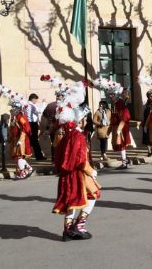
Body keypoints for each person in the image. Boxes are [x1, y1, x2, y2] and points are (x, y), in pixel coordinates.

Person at [52, 80, 100, 241]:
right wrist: (91, 171)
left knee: (72, 201)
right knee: (93, 195)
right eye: (85, 118)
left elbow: (58, 154)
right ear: (81, 120)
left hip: (67, 175)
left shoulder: (66, 135)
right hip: (79, 174)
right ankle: (79, 226)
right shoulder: (78, 136)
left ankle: (68, 230)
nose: (87, 120)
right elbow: (80, 160)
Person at [0, 84, 34, 179]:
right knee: (18, 157)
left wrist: (21, 140)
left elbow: (26, 128)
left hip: (21, 139)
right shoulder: (14, 117)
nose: (11, 109)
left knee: (19, 157)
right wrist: (10, 139)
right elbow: (13, 130)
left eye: (13, 107)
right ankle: (29, 168)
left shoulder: (20, 116)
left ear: (17, 108)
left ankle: (23, 173)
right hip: (16, 139)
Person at [93, 78, 132, 168]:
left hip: (120, 127)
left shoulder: (120, 103)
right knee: (117, 145)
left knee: (121, 144)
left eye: (112, 94)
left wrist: (119, 129)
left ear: (116, 94)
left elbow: (125, 117)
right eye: (109, 94)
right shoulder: (114, 104)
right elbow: (113, 117)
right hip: (115, 127)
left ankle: (124, 162)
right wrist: (110, 129)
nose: (110, 96)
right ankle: (125, 159)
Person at [26, 93, 46, 160]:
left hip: (28, 124)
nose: (36, 102)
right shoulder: (32, 106)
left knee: (31, 140)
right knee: (34, 140)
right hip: (32, 124)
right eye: (36, 100)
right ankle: (39, 156)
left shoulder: (26, 105)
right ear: (33, 99)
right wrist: (43, 103)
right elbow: (40, 111)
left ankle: (26, 153)